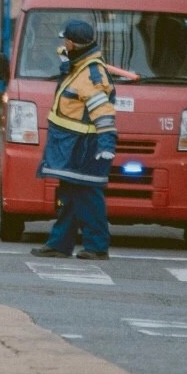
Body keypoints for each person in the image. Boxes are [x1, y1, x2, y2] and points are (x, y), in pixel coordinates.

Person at [32, 17, 118, 260]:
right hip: (71, 147)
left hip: (85, 148)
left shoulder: (91, 75)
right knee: (69, 196)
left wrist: (106, 145)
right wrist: (65, 57)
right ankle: (60, 244)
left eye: (66, 41)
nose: (64, 45)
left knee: (89, 197)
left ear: (73, 43)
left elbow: (103, 113)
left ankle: (97, 247)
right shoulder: (79, 67)